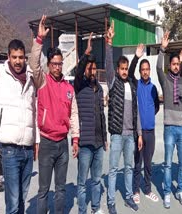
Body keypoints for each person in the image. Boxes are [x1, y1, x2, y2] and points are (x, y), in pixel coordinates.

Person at [29, 15, 79, 214]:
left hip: (63, 145)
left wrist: (75, 139)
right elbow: (33, 64)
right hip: (47, 143)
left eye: (60, 63)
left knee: (60, 189)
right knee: (43, 190)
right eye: (54, 63)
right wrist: (39, 40)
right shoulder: (42, 81)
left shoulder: (69, 88)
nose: (57, 66)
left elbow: (73, 114)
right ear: (49, 64)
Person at [0, 39, 39, 213]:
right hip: (10, 150)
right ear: (8, 57)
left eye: (21, 57)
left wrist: (36, 141)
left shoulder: (29, 78)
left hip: (27, 150)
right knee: (12, 202)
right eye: (14, 57)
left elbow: (33, 112)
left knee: (21, 198)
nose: (18, 61)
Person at [105, 20, 143, 214]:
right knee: (113, 169)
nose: (124, 71)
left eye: (126, 68)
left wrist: (139, 134)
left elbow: (135, 112)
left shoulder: (131, 85)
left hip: (131, 135)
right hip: (118, 134)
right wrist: (109, 43)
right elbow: (108, 64)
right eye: (121, 68)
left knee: (128, 167)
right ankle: (111, 200)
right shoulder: (113, 82)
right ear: (117, 69)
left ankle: (128, 197)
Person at [156, 31, 182, 208]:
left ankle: (180, 191)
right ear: (170, 65)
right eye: (174, 64)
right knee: (168, 164)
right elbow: (157, 67)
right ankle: (168, 192)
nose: (176, 66)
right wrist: (162, 48)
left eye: (178, 64)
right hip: (169, 127)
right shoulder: (165, 80)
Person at [74, 33, 107, 214]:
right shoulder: (80, 85)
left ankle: (95, 208)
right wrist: (86, 54)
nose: (92, 71)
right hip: (85, 143)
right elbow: (78, 71)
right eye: (89, 68)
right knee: (82, 181)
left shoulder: (99, 89)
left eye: (94, 69)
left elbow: (101, 114)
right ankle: (82, 210)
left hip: (98, 143)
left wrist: (105, 137)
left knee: (96, 179)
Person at [127, 44, 160, 204]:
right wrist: (136, 57)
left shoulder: (153, 88)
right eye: (143, 69)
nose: (145, 71)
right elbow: (130, 72)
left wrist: (149, 116)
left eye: (147, 69)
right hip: (138, 133)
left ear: (150, 71)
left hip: (151, 132)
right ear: (140, 72)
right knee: (137, 162)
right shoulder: (136, 84)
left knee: (148, 163)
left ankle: (147, 189)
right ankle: (136, 190)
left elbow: (157, 107)